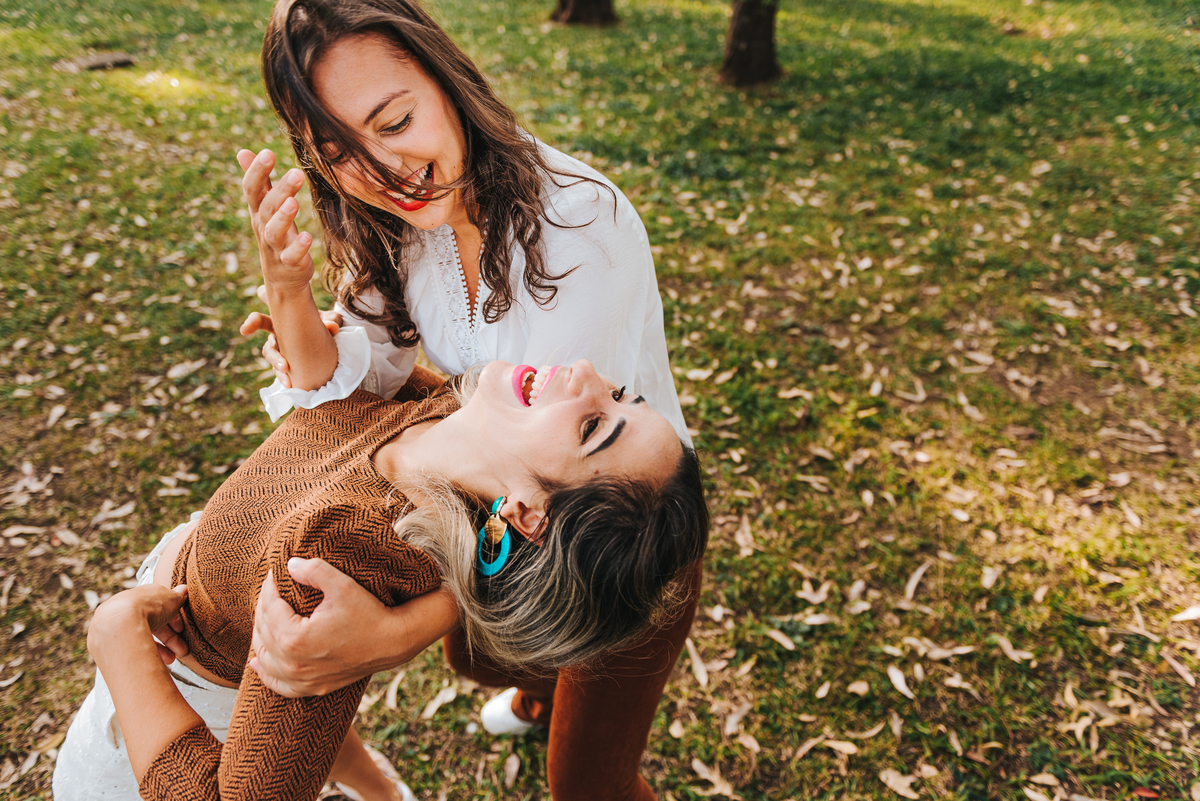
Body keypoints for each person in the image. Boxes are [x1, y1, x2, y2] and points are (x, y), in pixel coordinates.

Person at [229, 1, 704, 799]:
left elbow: (535, 481)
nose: (386, 173)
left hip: (611, 540)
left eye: (397, 120)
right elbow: (360, 380)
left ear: (445, 80)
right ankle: (547, 685)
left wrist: (387, 636)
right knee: (471, 654)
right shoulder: (408, 223)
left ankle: (567, 702)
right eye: (342, 152)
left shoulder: (577, 226)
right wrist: (289, 294)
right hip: (506, 523)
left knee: (586, 782)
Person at [52, 359, 708, 801]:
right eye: (623, 395)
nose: (590, 375)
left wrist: (114, 637)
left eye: (594, 427)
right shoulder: (435, 398)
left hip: (161, 697)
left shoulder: (335, 567)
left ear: (527, 512)